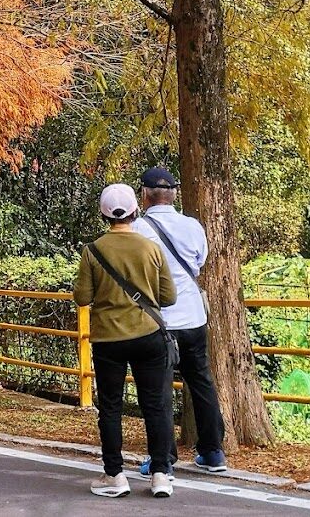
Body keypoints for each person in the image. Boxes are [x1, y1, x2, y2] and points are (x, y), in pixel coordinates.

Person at [73, 183, 177, 499]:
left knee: (111, 408)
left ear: (104, 215)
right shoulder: (151, 248)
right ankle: (161, 474)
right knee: (155, 405)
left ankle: (115, 475)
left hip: (109, 340)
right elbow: (168, 297)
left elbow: (82, 297)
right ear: (135, 211)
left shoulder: (93, 251)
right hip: (148, 335)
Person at [132, 165, 228, 475]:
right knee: (201, 381)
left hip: (158, 322)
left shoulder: (137, 229)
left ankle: (163, 459)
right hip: (193, 317)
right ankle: (213, 452)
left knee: (158, 390)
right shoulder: (193, 225)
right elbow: (199, 263)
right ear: (173, 195)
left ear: (144, 195)